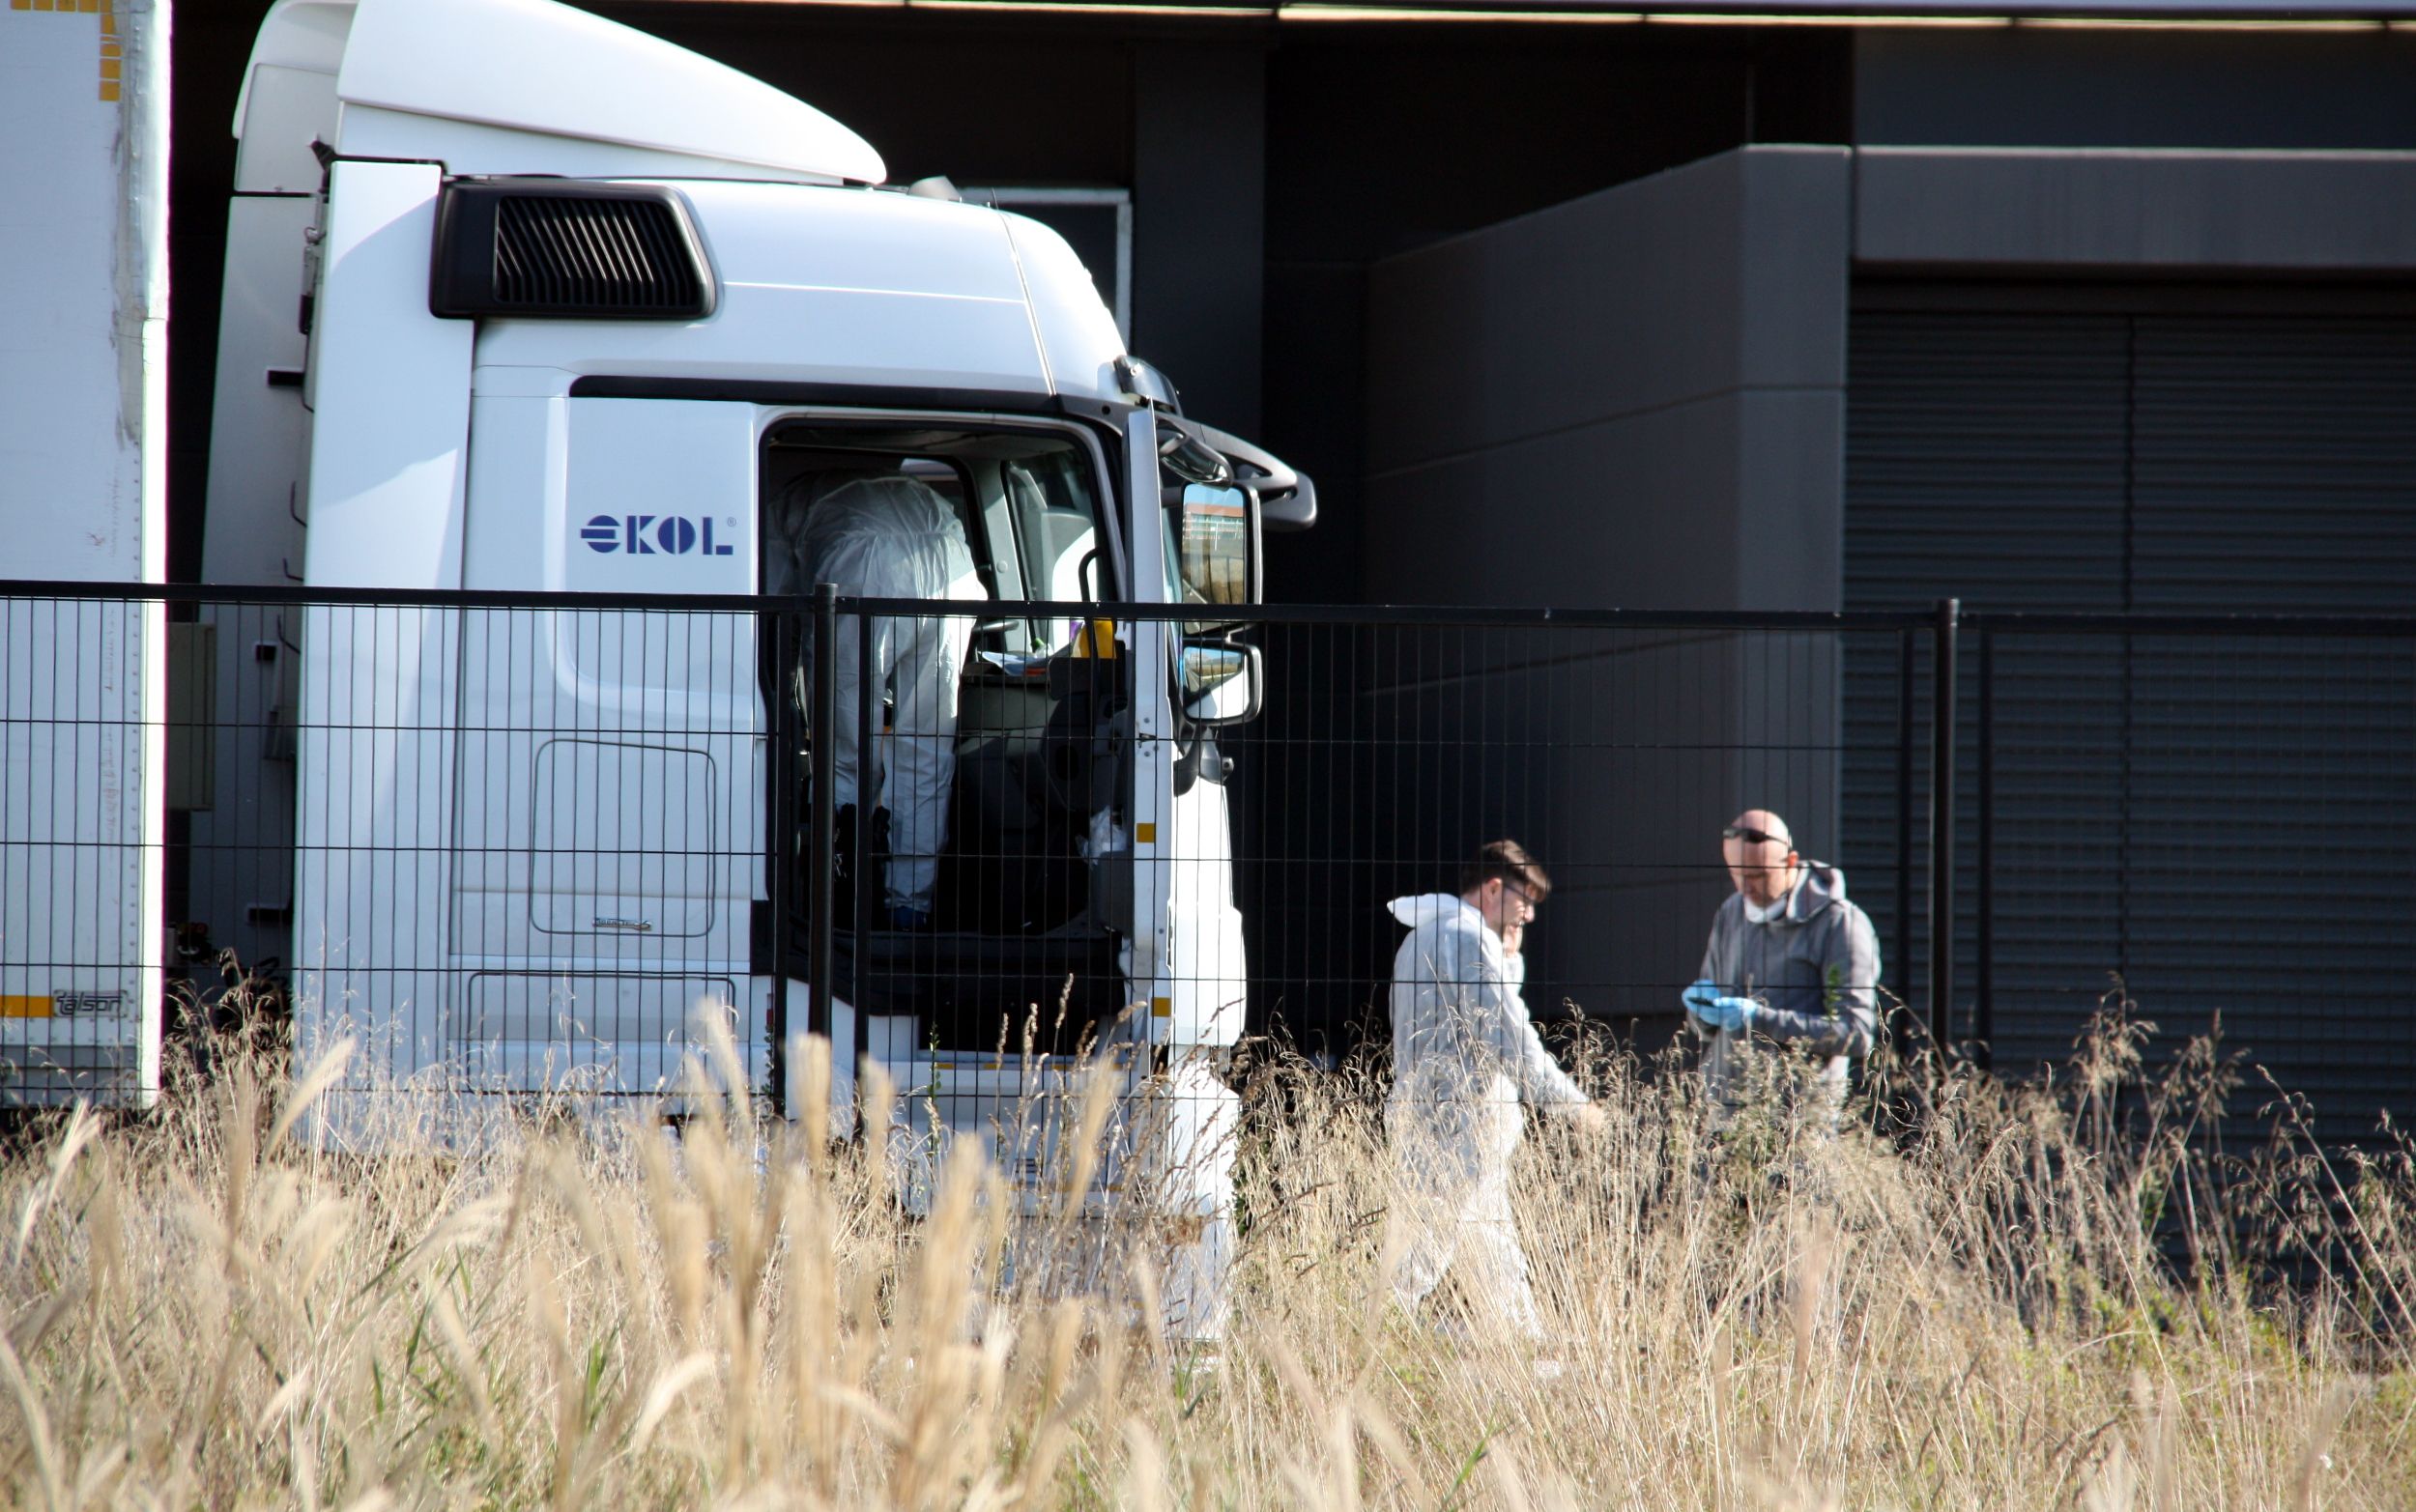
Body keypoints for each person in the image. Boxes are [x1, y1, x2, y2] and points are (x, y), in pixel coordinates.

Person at [1386, 841, 1606, 1344]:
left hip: (1433, 1122)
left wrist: (1510, 962)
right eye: (1522, 899)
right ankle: (1369, 1349)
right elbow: (1511, 1041)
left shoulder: (1422, 935)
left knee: (1493, 1258)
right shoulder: (1466, 937)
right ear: (1491, 888)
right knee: (1419, 1258)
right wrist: (1574, 1106)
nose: (1528, 914)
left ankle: (1524, 1352)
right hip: (1457, 1130)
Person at [768, 471, 988, 927]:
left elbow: (776, 611)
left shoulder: (779, 506)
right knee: (927, 752)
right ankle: (910, 907)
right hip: (951, 561)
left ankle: (841, 902)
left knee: (847, 754)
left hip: (865, 565)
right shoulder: (906, 489)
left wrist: (780, 695)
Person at [1683, 810, 1881, 1135]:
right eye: (1736, 873)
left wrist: (1757, 1019)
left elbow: (1855, 1033)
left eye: (1758, 875)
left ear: (1790, 862)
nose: (1746, 887)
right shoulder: (1732, 912)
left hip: (1797, 1124)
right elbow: (1711, 1024)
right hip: (1724, 1114)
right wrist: (1702, 1012)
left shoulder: (1838, 924)